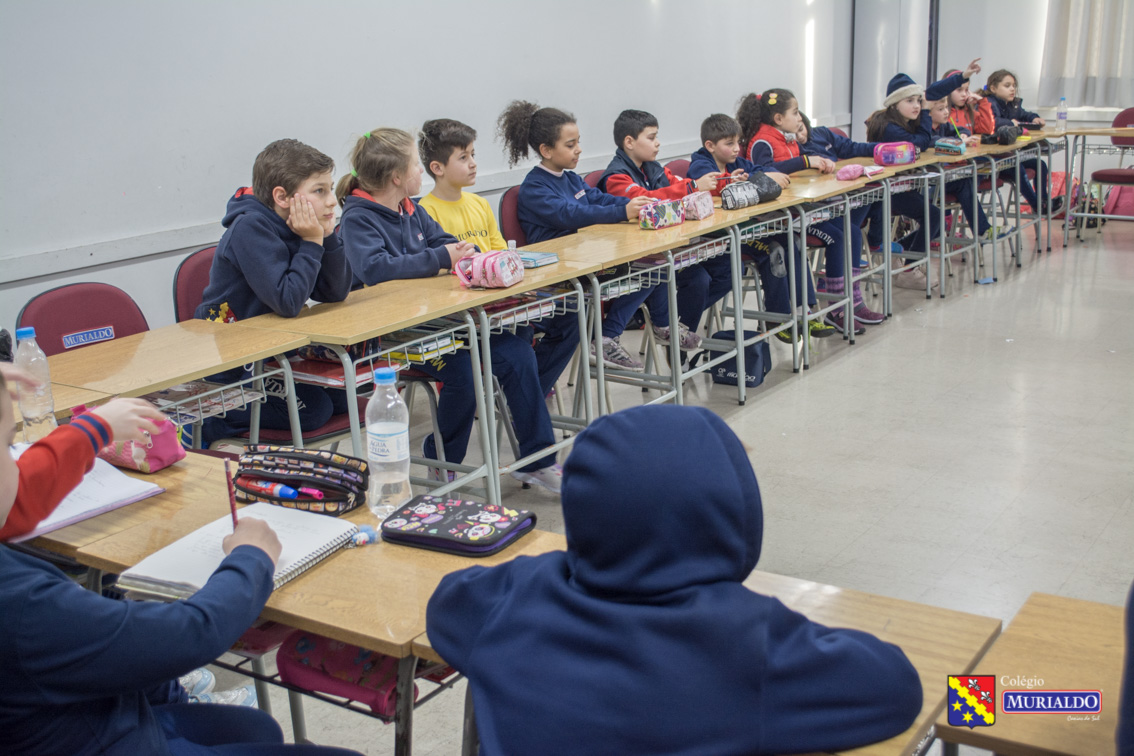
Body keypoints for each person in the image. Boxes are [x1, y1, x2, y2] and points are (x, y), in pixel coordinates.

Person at [427, 404, 923, 755]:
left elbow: (447, 603)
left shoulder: (509, 601)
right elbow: (896, 686)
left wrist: (571, 564)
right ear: (729, 515)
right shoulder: (747, 641)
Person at [0, 370, 362, 756]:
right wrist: (251, 558)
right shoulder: (22, 604)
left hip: (85, 720)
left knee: (255, 727)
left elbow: (16, 504)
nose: (19, 465)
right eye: (7, 447)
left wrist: (94, 429)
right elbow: (189, 635)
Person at [340, 127, 562, 493]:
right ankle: (444, 460)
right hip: (398, 338)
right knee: (465, 373)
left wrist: (463, 252)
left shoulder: (410, 208)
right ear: (396, 176)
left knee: (519, 353)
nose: (420, 170)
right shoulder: (358, 218)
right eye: (416, 164)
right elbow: (375, 269)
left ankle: (537, 461)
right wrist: (440, 258)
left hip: (441, 325)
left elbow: (444, 242)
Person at [194, 139, 352, 447]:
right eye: (319, 191)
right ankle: (212, 423)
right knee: (315, 410)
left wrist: (327, 236)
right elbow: (288, 301)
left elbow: (335, 291)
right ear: (281, 197)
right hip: (233, 368)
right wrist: (311, 242)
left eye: (330, 189)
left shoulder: (298, 225)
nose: (332, 201)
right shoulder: (249, 228)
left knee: (343, 399)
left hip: (272, 355)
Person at [498, 100, 653, 371]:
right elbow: (571, 214)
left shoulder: (570, 178)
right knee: (641, 274)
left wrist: (634, 204)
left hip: (582, 264)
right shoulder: (534, 188)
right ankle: (605, 338)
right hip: (557, 274)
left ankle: (610, 336)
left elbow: (598, 199)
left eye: (578, 142)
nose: (578, 149)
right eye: (570, 145)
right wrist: (622, 212)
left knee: (652, 269)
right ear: (546, 150)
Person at [688, 113, 836, 342]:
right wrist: (741, 181)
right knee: (774, 249)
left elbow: (758, 169)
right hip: (724, 237)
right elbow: (711, 185)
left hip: (746, 229)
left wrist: (766, 175)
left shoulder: (735, 161)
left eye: (738, 142)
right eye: (729, 144)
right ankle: (777, 317)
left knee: (794, 240)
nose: (737, 149)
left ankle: (803, 310)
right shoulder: (700, 163)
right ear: (710, 146)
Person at [596, 108, 720, 357]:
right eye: (651, 137)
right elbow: (646, 200)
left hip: (657, 250)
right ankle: (614, 334)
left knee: (698, 276)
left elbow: (677, 184)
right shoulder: (616, 177)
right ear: (629, 142)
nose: (658, 143)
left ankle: (665, 326)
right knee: (655, 269)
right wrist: (693, 187)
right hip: (626, 259)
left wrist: (725, 181)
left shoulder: (652, 167)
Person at [739, 89, 862, 335]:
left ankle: (843, 301)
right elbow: (765, 171)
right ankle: (831, 308)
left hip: (798, 210)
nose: (799, 118)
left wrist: (820, 160)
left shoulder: (788, 138)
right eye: (795, 113)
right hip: (779, 218)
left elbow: (800, 160)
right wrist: (806, 162)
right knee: (834, 237)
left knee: (851, 231)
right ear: (778, 118)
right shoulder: (762, 141)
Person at [865, 59, 982, 290]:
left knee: (935, 217)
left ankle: (901, 252)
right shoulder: (889, 127)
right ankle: (909, 266)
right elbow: (918, 144)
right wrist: (927, 112)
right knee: (934, 217)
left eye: (918, 101)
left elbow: (932, 92)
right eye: (910, 101)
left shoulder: (904, 119)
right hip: (883, 191)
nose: (917, 106)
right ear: (894, 104)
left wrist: (963, 76)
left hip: (901, 186)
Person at [793, 112, 885, 326]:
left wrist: (880, 148)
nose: (799, 136)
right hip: (805, 212)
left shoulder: (822, 134)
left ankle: (851, 297)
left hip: (831, 205)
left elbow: (851, 148)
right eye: (793, 133)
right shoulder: (791, 150)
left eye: (801, 129)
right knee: (847, 234)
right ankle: (838, 308)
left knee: (870, 200)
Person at [982, 69, 1061, 215]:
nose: (1012, 89)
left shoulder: (1012, 105)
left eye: (1014, 86)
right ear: (993, 88)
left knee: (1040, 164)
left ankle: (1043, 201)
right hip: (994, 159)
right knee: (1018, 168)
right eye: (1007, 86)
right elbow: (992, 123)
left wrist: (1034, 118)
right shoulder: (987, 103)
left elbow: (1024, 114)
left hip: (1009, 156)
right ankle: (1037, 205)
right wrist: (1010, 123)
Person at [944, 68, 995, 135]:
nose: (964, 94)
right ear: (947, 90)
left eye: (966, 90)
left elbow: (987, 130)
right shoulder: (942, 114)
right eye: (959, 90)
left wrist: (982, 102)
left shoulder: (971, 113)